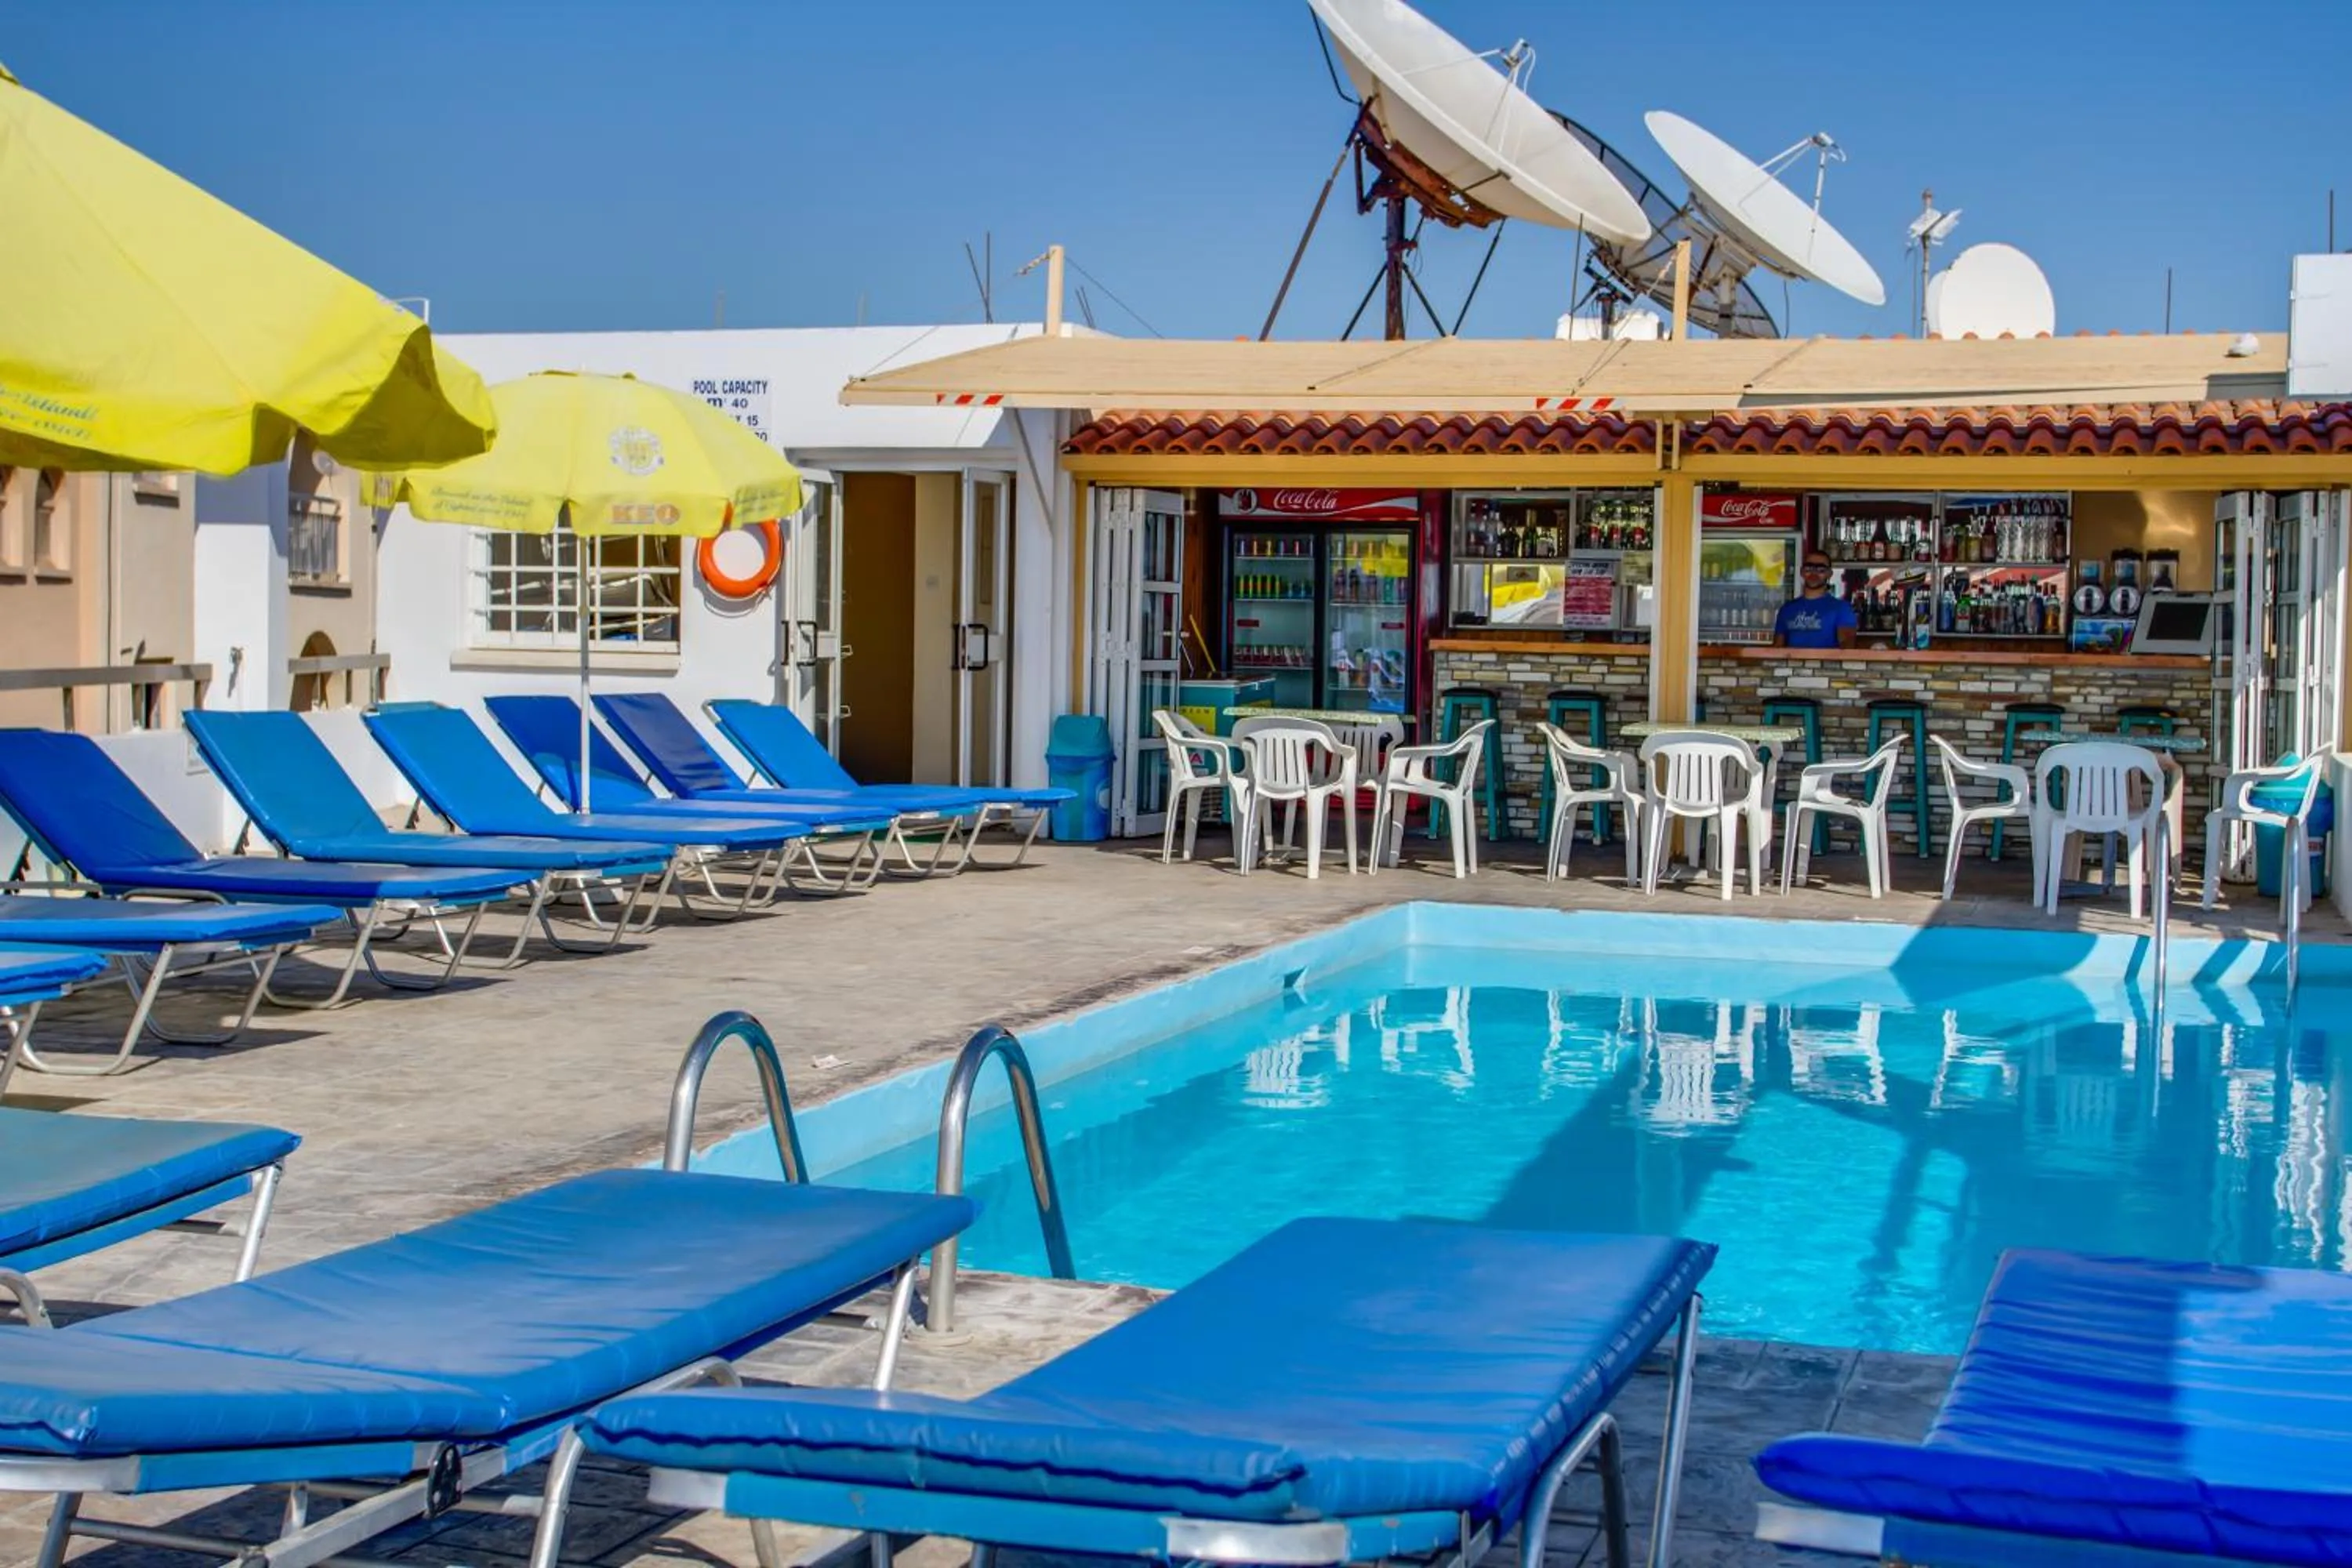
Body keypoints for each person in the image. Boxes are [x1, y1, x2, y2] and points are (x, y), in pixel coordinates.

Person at [1774, 553, 1858, 649]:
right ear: (1802, 572)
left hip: (1827, 664)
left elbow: (1847, 649)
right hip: (1791, 664)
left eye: (1820, 570)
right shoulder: (1786, 609)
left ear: (1829, 574)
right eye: (1809, 568)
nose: (1814, 573)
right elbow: (1777, 650)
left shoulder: (1842, 609)